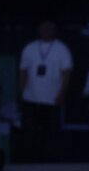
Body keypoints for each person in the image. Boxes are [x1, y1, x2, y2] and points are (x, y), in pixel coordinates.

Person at [18, 20, 74, 162]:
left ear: (54, 29)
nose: (46, 30)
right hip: (31, 98)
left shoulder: (61, 49)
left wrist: (62, 93)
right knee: (31, 132)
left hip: (52, 99)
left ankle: (51, 160)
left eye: (50, 27)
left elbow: (66, 73)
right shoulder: (29, 48)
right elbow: (23, 72)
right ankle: (30, 160)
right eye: (44, 27)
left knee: (52, 133)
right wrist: (21, 92)